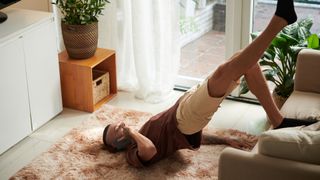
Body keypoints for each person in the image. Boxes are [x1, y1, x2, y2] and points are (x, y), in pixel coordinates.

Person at [102, 0, 316, 168]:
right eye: (116, 131)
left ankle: (276, 119)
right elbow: (150, 150)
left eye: (117, 124)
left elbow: (184, 138)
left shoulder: (139, 134)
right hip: (183, 118)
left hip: (185, 111)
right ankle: (279, 21)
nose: (121, 125)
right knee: (226, 71)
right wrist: (130, 132)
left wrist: (223, 140)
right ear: (116, 146)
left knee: (244, 62)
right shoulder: (132, 153)